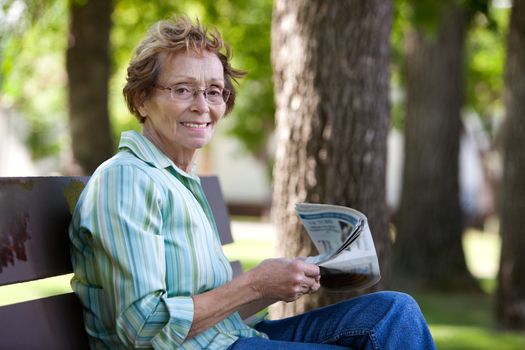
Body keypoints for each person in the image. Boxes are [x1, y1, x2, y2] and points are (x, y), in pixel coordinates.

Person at [69, 15, 436, 350]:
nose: (202, 105)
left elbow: (216, 309)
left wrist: (282, 281)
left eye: (214, 91)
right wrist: (255, 284)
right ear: (142, 100)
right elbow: (142, 328)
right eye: (182, 89)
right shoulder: (126, 180)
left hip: (228, 337)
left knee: (394, 312)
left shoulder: (178, 179)